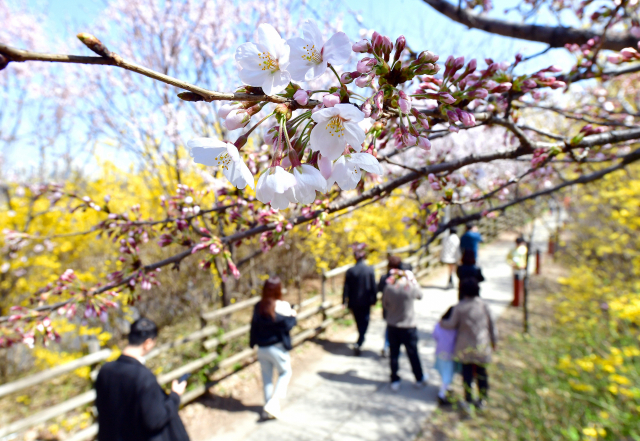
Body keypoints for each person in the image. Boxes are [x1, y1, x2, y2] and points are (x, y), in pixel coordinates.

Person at [95, 318, 190, 441]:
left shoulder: (105, 370)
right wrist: (175, 396)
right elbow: (155, 420)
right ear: (148, 343)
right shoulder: (143, 377)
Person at [440, 278, 496, 410]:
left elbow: (451, 324)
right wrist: (494, 341)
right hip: (481, 345)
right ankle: (483, 399)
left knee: (467, 374)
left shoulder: (460, 307)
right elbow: (492, 326)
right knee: (482, 373)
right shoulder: (484, 306)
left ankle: (468, 400)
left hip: (464, 346)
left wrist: (441, 322)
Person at [249, 276, 297, 420]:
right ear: (278, 290)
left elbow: (253, 326)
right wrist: (293, 316)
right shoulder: (282, 306)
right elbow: (288, 325)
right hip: (277, 348)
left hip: (262, 349)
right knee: (285, 372)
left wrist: (252, 343)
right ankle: (273, 402)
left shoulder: (259, 306)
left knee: (267, 378)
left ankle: (267, 409)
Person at [382, 268, 427, 391]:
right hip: (409, 326)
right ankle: (419, 378)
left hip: (393, 325)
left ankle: (394, 379)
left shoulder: (389, 288)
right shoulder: (410, 288)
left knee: (394, 354)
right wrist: (414, 281)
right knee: (413, 354)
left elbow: (385, 305)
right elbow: (420, 295)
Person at [343, 245, 377, 356]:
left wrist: (344, 301)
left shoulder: (351, 271)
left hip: (354, 302)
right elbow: (373, 286)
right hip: (366, 301)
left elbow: (346, 288)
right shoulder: (369, 270)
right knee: (365, 321)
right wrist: (374, 299)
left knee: (359, 321)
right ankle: (360, 341)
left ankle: (360, 340)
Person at [378, 255, 403, 358]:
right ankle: (393, 348)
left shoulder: (384, 278)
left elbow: (379, 289)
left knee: (389, 327)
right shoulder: (402, 279)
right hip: (399, 308)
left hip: (387, 307)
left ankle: (386, 346)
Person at [433, 306, 458, 406]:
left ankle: (446, 388)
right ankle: (442, 394)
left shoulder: (439, 325)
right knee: (448, 375)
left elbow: (435, 335)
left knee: (444, 373)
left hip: (440, 352)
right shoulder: (456, 328)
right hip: (450, 354)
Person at [507, 236, 528, 307]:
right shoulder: (513, 250)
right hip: (515, 269)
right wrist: (511, 263)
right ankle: (516, 300)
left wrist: (524, 265)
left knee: (522, 283)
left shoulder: (524, 249)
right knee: (516, 283)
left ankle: (521, 299)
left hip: (523, 269)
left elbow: (528, 259)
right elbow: (508, 258)